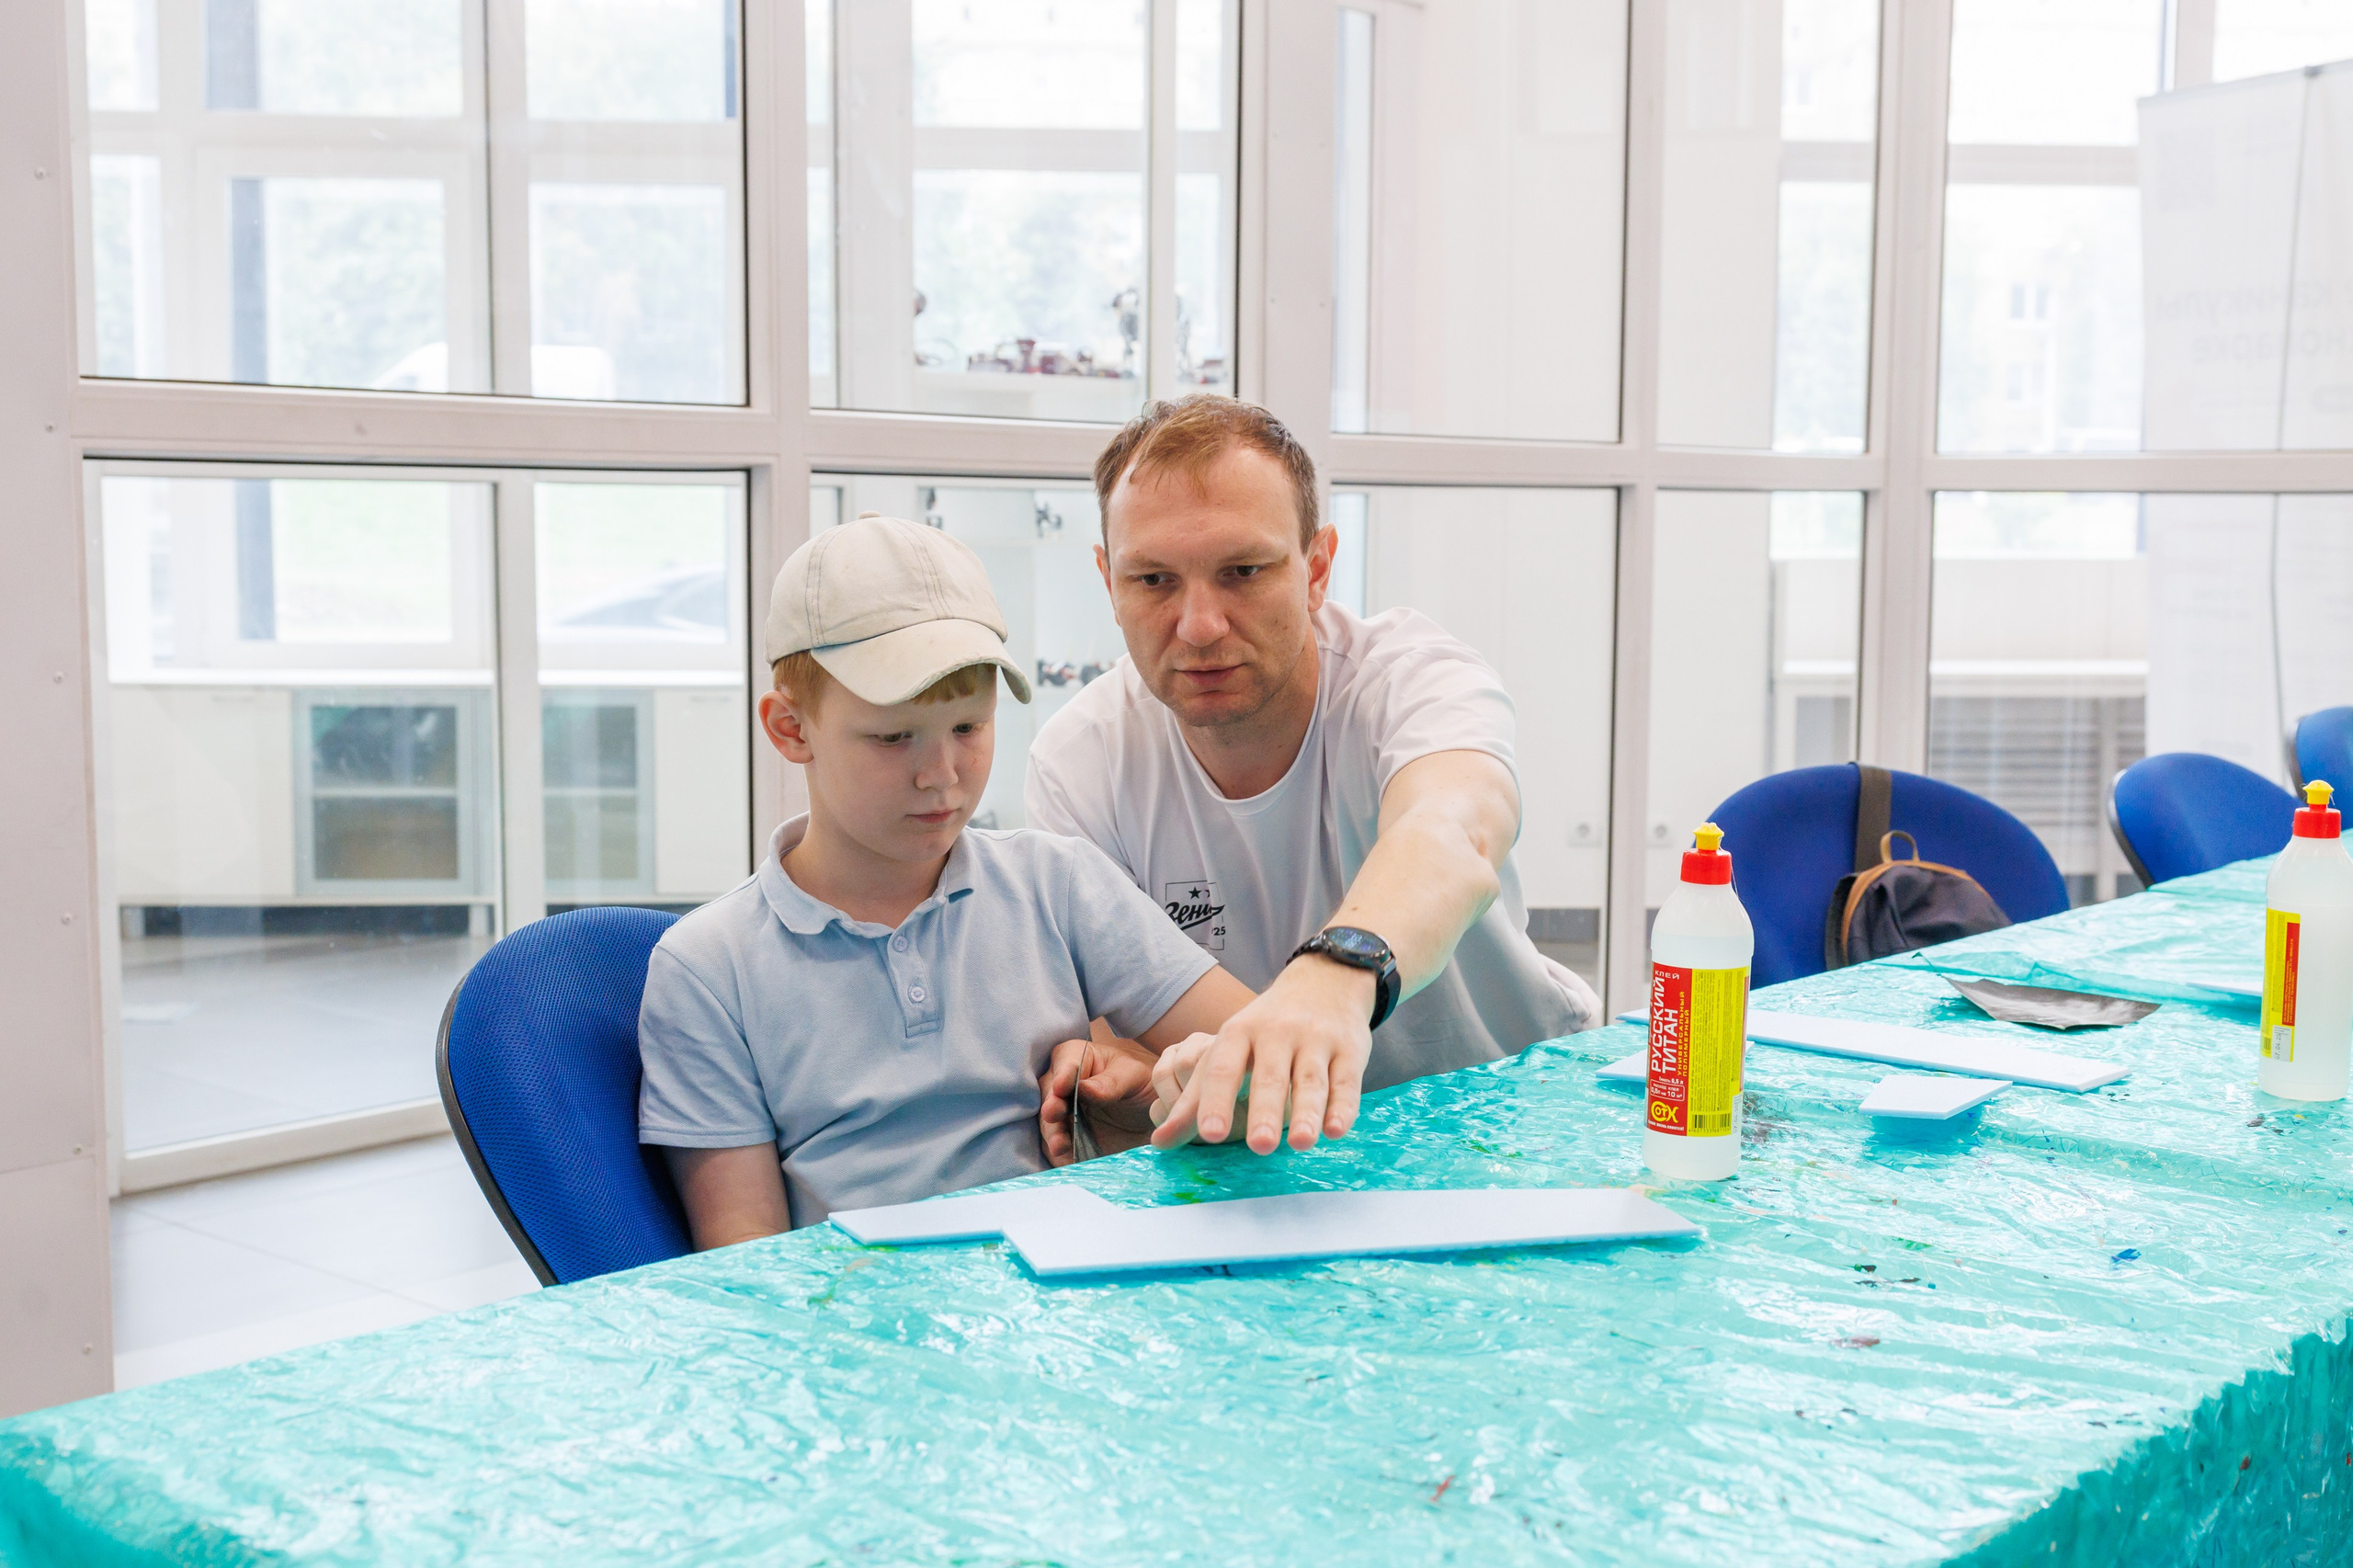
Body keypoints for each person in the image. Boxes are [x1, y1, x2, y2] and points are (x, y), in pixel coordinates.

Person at [638, 513, 1254, 1245]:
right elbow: (746, 1266)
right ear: (790, 728)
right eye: (893, 737)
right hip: (862, 1331)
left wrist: (1155, 1078)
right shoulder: (709, 969)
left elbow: (1269, 1053)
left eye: (969, 727)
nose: (943, 776)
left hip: (1064, 1302)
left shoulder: (1057, 884)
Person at [1027, 395, 1601, 1162]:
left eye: (1242, 571)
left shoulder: (1412, 680)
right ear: (1109, 581)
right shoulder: (1079, 762)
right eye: (1155, 580)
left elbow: (1453, 829)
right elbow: (1126, 1054)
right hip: (1284, 1162)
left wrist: (1334, 977)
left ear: (1317, 568)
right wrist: (1137, 1091)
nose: (1199, 626)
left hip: (1516, 1119)